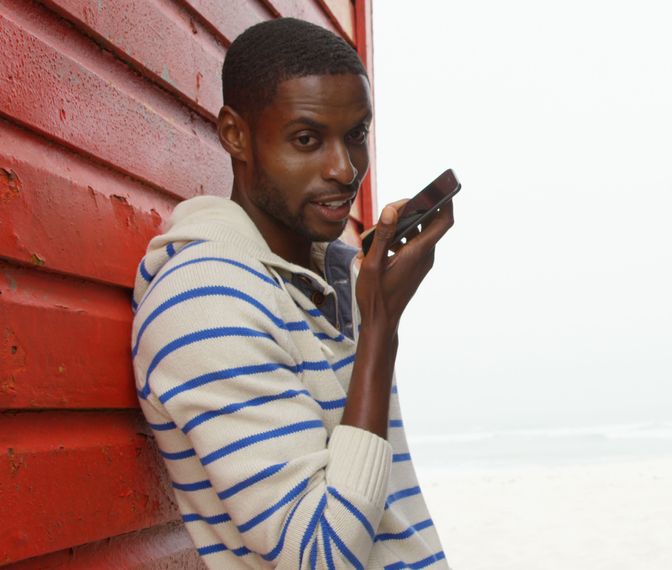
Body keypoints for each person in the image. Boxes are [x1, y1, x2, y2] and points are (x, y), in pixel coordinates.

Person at [130, 17, 453, 569]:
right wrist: (380, 330)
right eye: (307, 139)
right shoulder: (205, 300)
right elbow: (320, 555)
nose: (344, 169)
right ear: (235, 134)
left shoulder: (339, 274)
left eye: (356, 135)